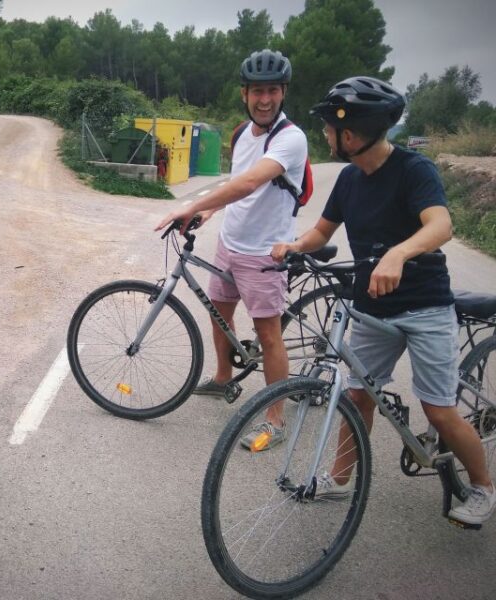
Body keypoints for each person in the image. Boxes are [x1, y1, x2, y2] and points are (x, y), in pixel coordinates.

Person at [272, 76, 495, 525]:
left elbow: (440, 226)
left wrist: (398, 252)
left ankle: (483, 487)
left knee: (438, 408)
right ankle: (340, 479)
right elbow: (322, 232)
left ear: (350, 134)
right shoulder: (351, 179)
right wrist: (294, 247)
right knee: (358, 398)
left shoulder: (415, 170)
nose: (324, 135)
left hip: (425, 307)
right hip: (373, 306)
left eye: (329, 129)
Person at [155, 49, 308, 451]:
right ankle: (223, 378)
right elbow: (237, 186)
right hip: (230, 243)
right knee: (217, 311)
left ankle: (275, 420)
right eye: (257, 91)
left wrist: (193, 204)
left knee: (268, 335)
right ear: (244, 93)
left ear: (283, 92)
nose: (265, 99)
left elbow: (251, 182)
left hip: (264, 254)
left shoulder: (291, 138)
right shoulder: (242, 133)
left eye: (272, 90)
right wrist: (210, 213)